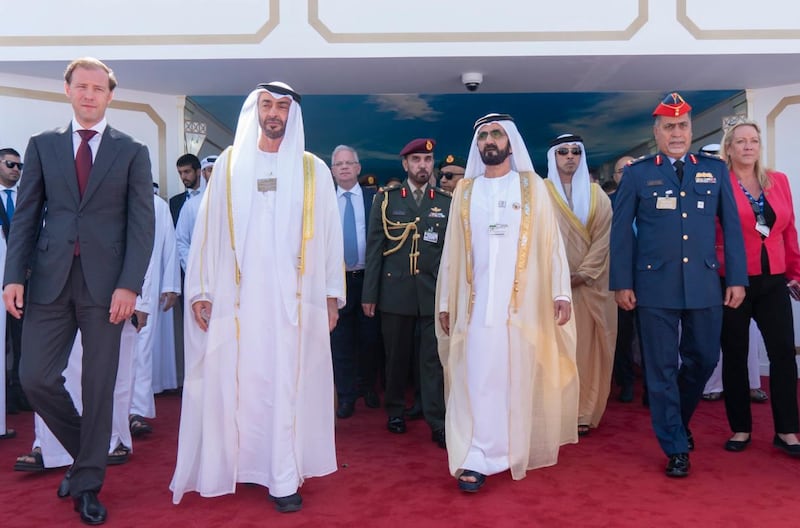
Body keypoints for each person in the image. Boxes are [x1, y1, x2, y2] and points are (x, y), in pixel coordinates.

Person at [170, 82, 344, 513]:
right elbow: (207, 234)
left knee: (287, 383)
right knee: (240, 384)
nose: (274, 114)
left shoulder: (313, 170)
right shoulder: (229, 164)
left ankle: (282, 473)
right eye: (267, 105)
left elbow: (329, 237)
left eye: (282, 107)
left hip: (293, 304)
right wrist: (202, 291)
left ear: (292, 116)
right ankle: (242, 465)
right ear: (255, 111)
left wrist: (330, 295)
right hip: (238, 302)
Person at [2, 57, 154, 524]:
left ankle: (86, 482)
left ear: (110, 96)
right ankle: (87, 452)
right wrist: (13, 276)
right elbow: (26, 216)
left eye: (98, 88)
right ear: (66, 90)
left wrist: (130, 285)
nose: (89, 95)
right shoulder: (43, 146)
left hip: (107, 289)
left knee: (98, 385)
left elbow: (141, 225)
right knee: (35, 378)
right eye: (81, 86)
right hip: (48, 282)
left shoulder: (132, 150)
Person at [436, 113, 578, 492]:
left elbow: (552, 245)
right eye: (483, 135)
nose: (490, 140)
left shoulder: (532, 187)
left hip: (523, 306)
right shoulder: (465, 192)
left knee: (515, 375)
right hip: (476, 305)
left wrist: (560, 291)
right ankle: (478, 455)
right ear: (477, 145)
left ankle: (512, 447)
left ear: (510, 142)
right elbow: (451, 252)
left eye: (497, 134)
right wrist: (446, 302)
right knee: (477, 377)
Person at [610, 92, 747, 478]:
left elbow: (732, 229)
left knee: (704, 358)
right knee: (661, 368)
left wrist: (736, 278)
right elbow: (622, 235)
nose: (676, 133)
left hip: (704, 282)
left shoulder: (715, 170)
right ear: (657, 132)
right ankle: (674, 444)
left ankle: (677, 420)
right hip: (654, 285)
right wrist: (622, 282)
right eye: (668, 126)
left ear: (691, 130)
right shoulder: (638, 174)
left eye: (682, 126)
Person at [714, 119, 800, 456]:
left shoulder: (777, 181)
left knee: (782, 354)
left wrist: (795, 271)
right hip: (733, 280)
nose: (748, 146)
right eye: (741, 141)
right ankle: (741, 428)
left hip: (774, 279)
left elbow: (788, 229)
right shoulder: (720, 182)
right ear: (730, 148)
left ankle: (788, 431)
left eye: (754, 141)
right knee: (734, 355)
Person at [362, 138, 450, 448]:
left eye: (427, 160)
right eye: (416, 160)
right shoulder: (386, 200)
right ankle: (395, 411)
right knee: (396, 357)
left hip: (431, 292)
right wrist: (369, 294)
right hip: (395, 289)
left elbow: (451, 253)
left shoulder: (445, 201)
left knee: (432, 360)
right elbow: (375, 249)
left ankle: (436, 420)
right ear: (405, 165)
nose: (422, 165)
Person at [544, 134, 616, 436]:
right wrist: (558, 279)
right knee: (551, 351)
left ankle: (584, 412)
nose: (569, 156)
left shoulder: (598, 194)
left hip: (590, 287)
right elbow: (538, 240)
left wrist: (583, 275)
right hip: (550, 289)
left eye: (575, 151)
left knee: (587, 350)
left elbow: (603, 241)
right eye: (562, 152)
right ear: (553, 157)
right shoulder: (541, 194)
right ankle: (553, 412)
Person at [329, 145, 381, 417]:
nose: (345, 167)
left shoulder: (375, 199)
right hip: (338, 282)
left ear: (359, 168)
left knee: (370, 339)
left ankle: (368, 387)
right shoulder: (323, 200)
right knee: (341, 341)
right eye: (339, 164)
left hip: (368, 281)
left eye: (350, 163)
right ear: (332, 170)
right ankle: (347, 394)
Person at [610, 155, 639, 403]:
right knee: (623, 335)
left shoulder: (651, 198)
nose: (628, 173)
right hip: (621, 279)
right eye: (622, 170)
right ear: (615, 177)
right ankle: (626, 381)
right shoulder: (608, 203)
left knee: (654, 338)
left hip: (652, 279)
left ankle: (653, 388)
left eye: (633, 167)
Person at [0, 148, 21, 438]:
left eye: (19, 165)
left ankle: (20, 395)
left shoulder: (26, 199)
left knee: (24, 342)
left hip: (24, 284)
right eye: (10, 164)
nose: (16, 169)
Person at [175, 155, 216, 272]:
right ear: (203, 173)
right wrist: (193, 267)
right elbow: (181, 241)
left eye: (216, 169)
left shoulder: (233, 203)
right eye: (210, 170)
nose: (213, 173)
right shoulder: (191, 205)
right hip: (198, 273)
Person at [168, 154, 203, 226]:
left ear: (198, 172)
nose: (183, 176)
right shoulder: (174, 202)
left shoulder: (210, 197)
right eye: (180, 173)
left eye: (187, 172)